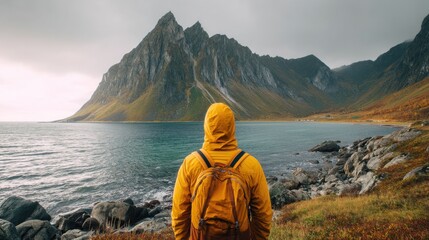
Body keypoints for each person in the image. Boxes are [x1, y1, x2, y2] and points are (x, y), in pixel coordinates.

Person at [171, 103, 272, 240]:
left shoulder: (190, 163)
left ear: (206, 126)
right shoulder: (251, 165)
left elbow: (179, 213)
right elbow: (263, 215)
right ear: (232, 127)